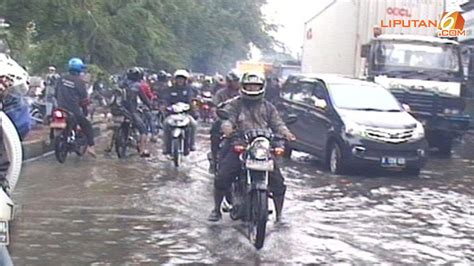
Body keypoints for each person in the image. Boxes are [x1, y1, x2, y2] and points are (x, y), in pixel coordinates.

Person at [208, 72, 295, 222]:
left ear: (262, 87)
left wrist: (286, 134)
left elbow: (278, 123)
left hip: (262, 146)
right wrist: (228, 129)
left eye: (256, 86)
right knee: (223, 176)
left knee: (278, 181)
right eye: (250, 86)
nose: (253, 89)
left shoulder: (268, 107)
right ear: (243, 87)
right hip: (239, 143)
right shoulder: (235, 104)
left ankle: (279, 215)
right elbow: (227, 119)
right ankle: (216, 209)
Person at [55, 58, 96, 157]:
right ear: (80, 70)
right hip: (73, 110)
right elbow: (84, 100)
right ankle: (91, 147)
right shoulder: (79, 82)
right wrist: (85, 107)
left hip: (59, 108)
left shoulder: (61, 79)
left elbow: (55, 93)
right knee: (87, 125)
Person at [208, 71, 241, 173]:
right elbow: (214, 107)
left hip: (240, 122)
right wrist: (217, 117)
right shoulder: (221, 93)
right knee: (215, 134)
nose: (235, 83)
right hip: (223, 120)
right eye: (233, 81)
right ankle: (214, 159)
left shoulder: (242, 94)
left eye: (236, 81)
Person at [162, 69, 197, 155]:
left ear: (185, 80)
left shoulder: (189, 89)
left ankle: (191, 144)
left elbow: (191, 100)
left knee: (194, 124)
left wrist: (193, 110)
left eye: (182, 79)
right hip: (172, 114)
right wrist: (165, 107)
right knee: (165, 124)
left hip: (185, 114)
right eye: (178, 79)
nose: (180, 81)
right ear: (175, 79)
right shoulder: (170, 89)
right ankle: (166, 147)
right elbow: (166, 100)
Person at [121, 67, 153, 157]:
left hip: (118, 109)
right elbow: (145, 99)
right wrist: (150, 105)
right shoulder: (138, 86)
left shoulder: (121, 84)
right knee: (143, 130)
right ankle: (142, 151)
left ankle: (109, 146)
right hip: (132, 110)